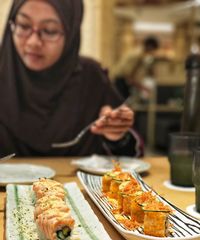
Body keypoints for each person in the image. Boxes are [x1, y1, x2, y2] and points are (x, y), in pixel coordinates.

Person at [0, 0, 143, 157]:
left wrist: (116, 137)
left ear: (71, 33)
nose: (33, 42)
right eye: (24, 26)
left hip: (79, 181)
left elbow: (132, 158)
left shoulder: (91, 78)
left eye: (49, 30)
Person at [111, 36, 160, 101]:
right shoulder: (137, 55)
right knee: (121, 103)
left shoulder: (138, 53)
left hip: (120, 80)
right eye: (153, 50)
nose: (152, 53)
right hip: (119, 81)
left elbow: (132, 75)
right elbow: (129, 77)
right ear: (149, 46)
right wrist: (142, 88)